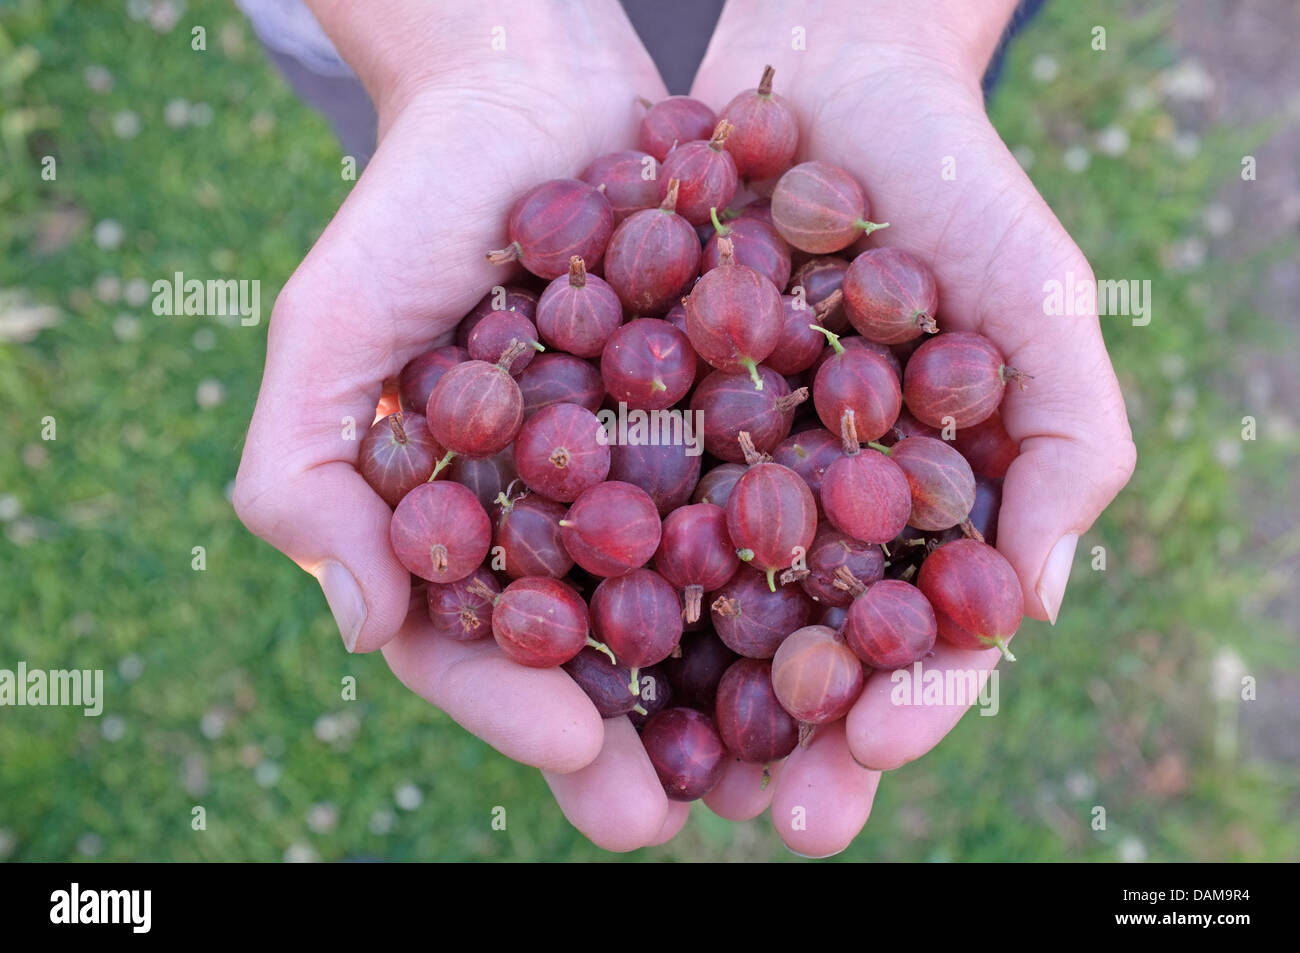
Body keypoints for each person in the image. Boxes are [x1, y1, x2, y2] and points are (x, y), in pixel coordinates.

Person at [232, 0, 1136, 856]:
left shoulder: (783, 400)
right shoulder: (581, 410)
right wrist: (457, 54)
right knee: (383, 123)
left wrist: (902, 33)